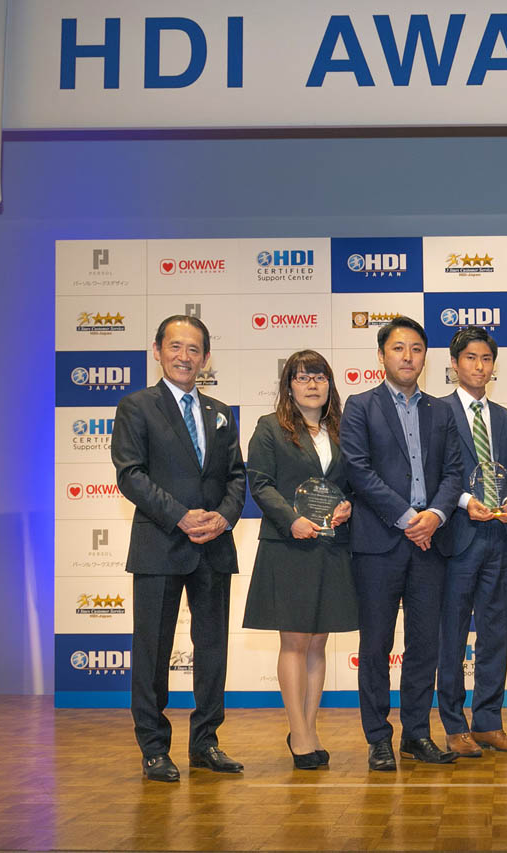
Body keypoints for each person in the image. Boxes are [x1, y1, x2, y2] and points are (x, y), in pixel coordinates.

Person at [111, 314, 247, 782]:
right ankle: (153, 748)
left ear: (205, 357)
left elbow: (236, 476)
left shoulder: (220, 411)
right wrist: (180, 516)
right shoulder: (136, 406)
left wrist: (224, 517)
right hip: (160, 544)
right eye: (175, 347)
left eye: (194, 349)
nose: (184, 356)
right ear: (157, 350)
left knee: (212, 651)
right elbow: (131, 475)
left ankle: (206, 742)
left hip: (214, 545)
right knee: (152, 653)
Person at [339, 316, 464, 771]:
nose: (407, 356)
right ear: (381, 355)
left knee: (425, 645)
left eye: (416, 349)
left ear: (425, 357)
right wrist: (410, 517)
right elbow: (358, 470)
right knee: (375, 646)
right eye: (398, 348)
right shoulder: (360, 406)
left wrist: (435, 516)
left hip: (431, 542)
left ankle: (416, 734)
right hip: (379, 543)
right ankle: (378, 738)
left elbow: (454, 473)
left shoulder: (441, 411)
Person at [242, 350, 355, 770]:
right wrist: (291, 520)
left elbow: (353, 482)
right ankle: (300, 733)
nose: (312, 384)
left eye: (319, 377)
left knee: (318, 642)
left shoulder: (342, 430)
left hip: (331, 545)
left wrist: (349, 506)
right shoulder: (269, 427)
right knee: (294, 641)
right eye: (303, 377)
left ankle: (308, 728)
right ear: (288, 385)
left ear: (330, 385)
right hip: (288, 545)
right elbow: (260, 483)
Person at [435, 327, 507, 756]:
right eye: (470, 358)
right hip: (456, 536)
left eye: (486, 359)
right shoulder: (436, 411)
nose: (479, 366)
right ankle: (454, 725)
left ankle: (489, 722)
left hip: (498, 537)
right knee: (452, 635)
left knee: (495, 634)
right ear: (455, 364)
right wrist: (462, 501)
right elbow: (434, 473)